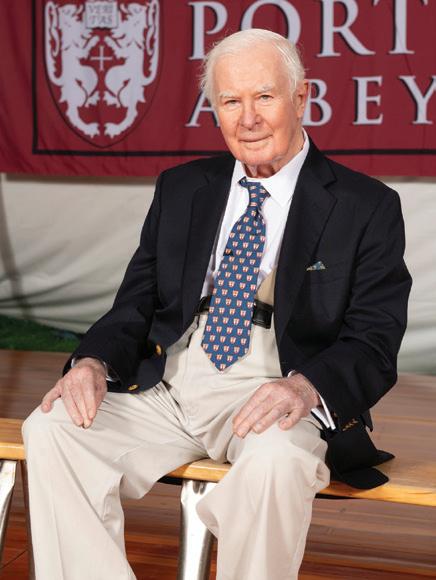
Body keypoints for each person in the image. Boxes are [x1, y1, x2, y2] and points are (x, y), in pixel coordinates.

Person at [22, 28, 412, 580]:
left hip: (274, 387)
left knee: (278, 462)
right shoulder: (183, 187)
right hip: (169, 382)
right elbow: (136, 301)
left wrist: (304, 388)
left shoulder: (365, 205)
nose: (248, 118)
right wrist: (91, 362)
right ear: (216, 110)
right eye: (231, 102)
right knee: (53, 427)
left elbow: (374, 340)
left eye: (265, 97)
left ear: (301, 97)